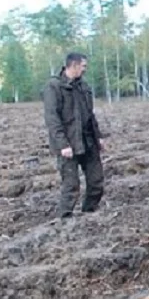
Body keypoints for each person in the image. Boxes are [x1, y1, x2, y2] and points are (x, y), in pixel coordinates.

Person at [42, 52, 106, 218]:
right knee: (71, 185)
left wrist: (98, 136)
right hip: (68, 144)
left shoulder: (83, 86)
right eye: (83, 66)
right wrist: (63, 144)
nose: (85, 69)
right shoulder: (54, 86)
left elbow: (90, 114)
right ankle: (64, 218)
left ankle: (89, 213)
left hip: (88, 141)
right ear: (74, 65)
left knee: (96, 181)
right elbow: (52, 118)